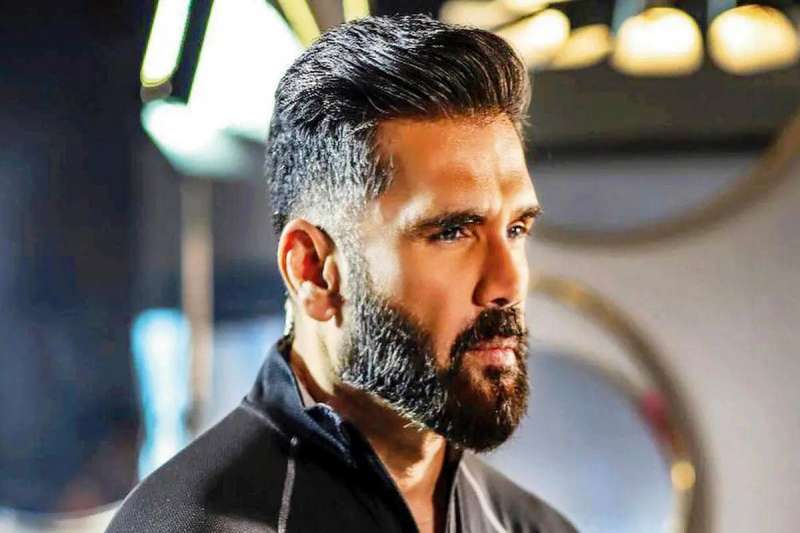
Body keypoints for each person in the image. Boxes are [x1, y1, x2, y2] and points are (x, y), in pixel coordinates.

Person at [107, 14, 576, 533]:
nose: (508, 284)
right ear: (313, 270)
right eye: (452, 232)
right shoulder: (192, 526)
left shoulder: (535, 527)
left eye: (516, 229)